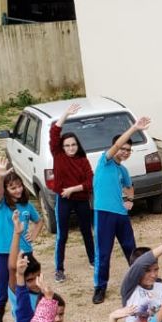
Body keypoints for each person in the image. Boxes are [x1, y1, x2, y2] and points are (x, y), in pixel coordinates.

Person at [92, 116, 149, 305]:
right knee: (104, 252)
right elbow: (117, 144)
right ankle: (100, 287)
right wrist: (134, 128)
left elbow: (129, 187)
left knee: (130, 249)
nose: (124, 152)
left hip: (121, 215)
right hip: (104, 213)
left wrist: (130, 200)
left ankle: (140, 279)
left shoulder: (123, 171)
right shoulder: (105, 161)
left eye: (128, 150)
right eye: (123, 149)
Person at [0, 159, 42, 322]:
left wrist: (34, 235)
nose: (18, 190)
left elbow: (40, 221)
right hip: (4, 254)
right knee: (3, 291)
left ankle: (33, 321)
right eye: (12, 188)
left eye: (19, 186)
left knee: (30, 287)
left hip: (26, 252)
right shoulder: (0, 206)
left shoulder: (27, 207)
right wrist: (0, 177)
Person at [48, 102, 95, 283]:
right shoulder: (58, 155)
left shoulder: (83, 161)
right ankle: (59, 268)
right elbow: (54, 133)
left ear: (77, 145)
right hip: (64, 200)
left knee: (86, 231)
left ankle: (93, 259)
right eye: (67, 145)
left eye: (73, 145)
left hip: (81, 199)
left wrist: (73, 189)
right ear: (62, 147)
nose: (70, 148)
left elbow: (90, 182)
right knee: (63, 235)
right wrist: (65, 114)